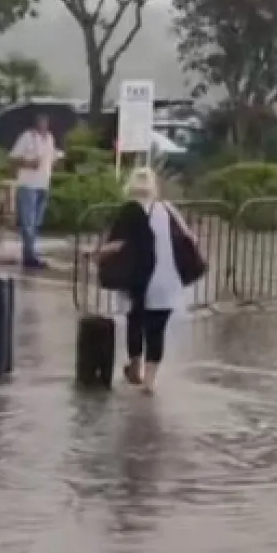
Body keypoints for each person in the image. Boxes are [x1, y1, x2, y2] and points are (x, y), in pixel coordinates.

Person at [97, 166, 197, 395]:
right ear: (154, 186)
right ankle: (150, 380)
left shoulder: (129, 210)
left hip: (139, 280)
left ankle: (136, 367)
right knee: (156, 330)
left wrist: (96, 254)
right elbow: (190, 237)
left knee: (135, 323)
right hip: (167, 281)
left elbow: (118, 244)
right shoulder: (168, 209)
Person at [9, 112, 57, 270]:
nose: (43, 125)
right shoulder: (27, 137)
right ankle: (30, 255)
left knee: (37, 222)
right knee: (28, 222)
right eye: (40, 122)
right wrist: (28, 163)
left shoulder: (50, 138)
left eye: (46, 122)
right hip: (28, 185)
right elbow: (13, 158)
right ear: (35, 123)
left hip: (43, 184)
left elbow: (51, 158)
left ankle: (31, 252)